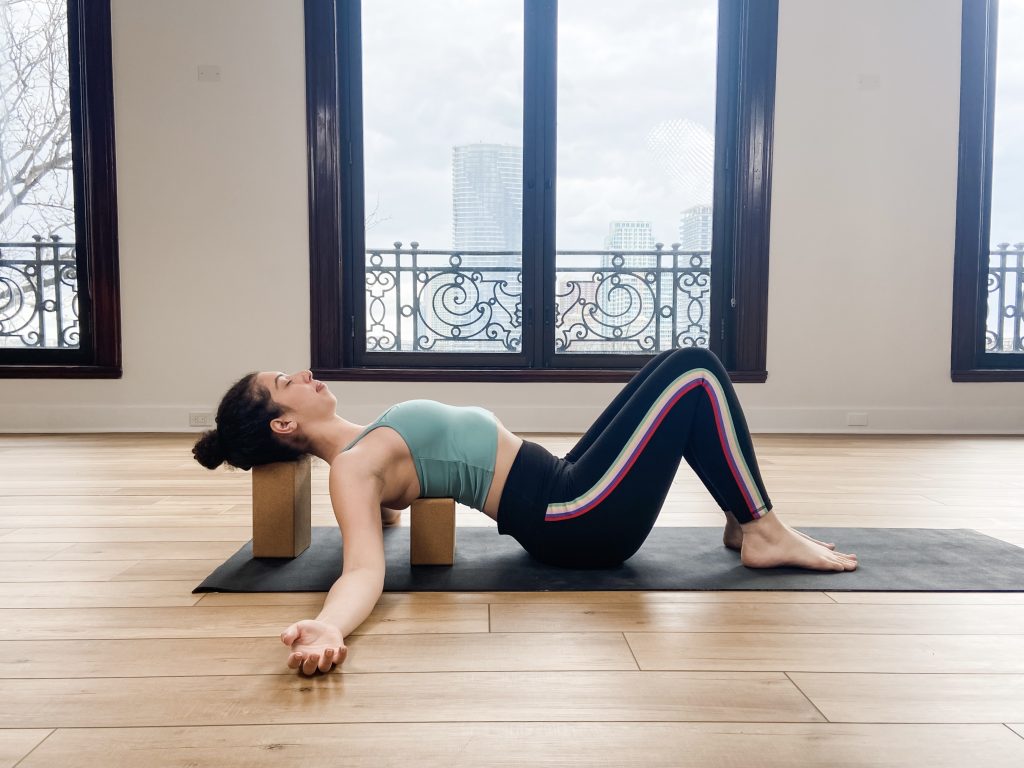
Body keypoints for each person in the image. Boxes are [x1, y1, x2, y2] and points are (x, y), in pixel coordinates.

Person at [193, 347, 856, 675]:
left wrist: (389, 507)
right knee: (695, 373)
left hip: (561, 483)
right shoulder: (354, 467)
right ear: (283, 425)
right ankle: (763, 530)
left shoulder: (359, 452)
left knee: (678, 367)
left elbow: (388, 507)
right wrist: (329, 627)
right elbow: (364, 571)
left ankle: (746, 517)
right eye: (288, 384)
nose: (305, 374)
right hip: (573, 516)